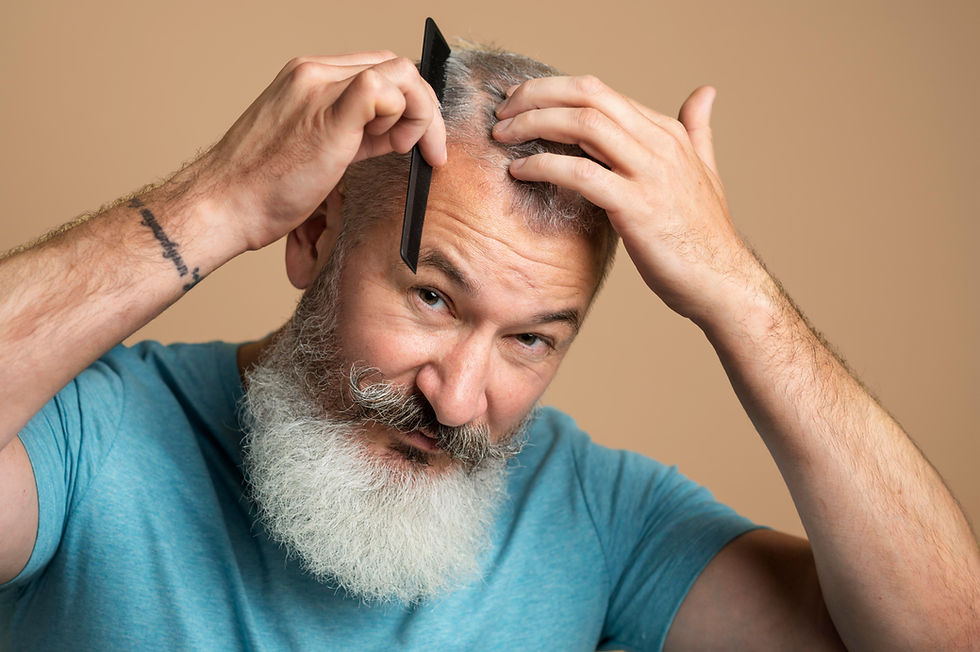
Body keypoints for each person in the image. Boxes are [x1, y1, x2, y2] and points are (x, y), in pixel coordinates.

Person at [0, 41, 977, 651]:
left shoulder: (594, 514)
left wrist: (737, 292)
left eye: (529, 339)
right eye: (430, 295)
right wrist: (215, 199)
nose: (459, 398)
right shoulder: (99, 434)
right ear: (312, 235)